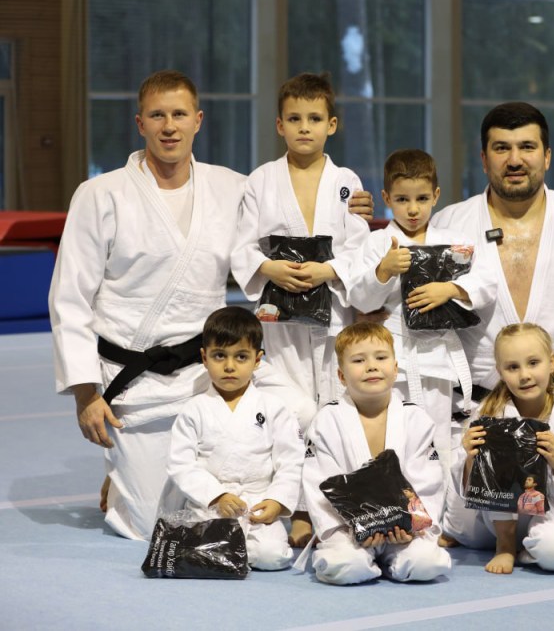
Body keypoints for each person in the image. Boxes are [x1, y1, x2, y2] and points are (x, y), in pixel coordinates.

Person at [48, 70, 273, 540]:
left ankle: (126, 472)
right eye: (157, 115)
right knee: (153, 524)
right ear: (140, 124)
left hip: (207, 375)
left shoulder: (232, 188)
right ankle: (124, 469)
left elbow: (289, 218)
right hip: (132, 383)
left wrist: (349, 204)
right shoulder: (100, 194)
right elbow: (70, 297)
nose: (168, 126)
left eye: (178, 114)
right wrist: (86, 393)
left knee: (239, 508)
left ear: (198, 120)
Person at [231, 72, 373, 547]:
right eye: (294, 119)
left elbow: (360, 247)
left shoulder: (346, 181)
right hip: (280, 324)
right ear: (279, 125)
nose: (304, 127)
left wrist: (328, 272)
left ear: (332, 124)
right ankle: (297, 505)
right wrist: (270, 266)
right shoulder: (260, 180)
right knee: (290, 413)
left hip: (333, 319)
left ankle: (334, 505)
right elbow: (240, 249)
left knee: (335, 411)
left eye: (314, 118)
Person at [431, 102, 554, 399]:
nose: (515, 160)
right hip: (474, 413)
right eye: (501, 148)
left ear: (547, 156)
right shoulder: (447, 224)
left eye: (527, 147)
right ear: (484, 160)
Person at [348, 148, 495, 476]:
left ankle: (436, 519)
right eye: (401, 199)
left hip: (438, 359)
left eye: (421, 198)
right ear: (386, 197)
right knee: (393, 439)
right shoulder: (377, 243)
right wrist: (382, 271)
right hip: (392, 360)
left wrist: (451, 289)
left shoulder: (453, 241)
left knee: (437, 439)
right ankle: (393, 511)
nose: (412, 209)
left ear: (436, 196)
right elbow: (359, 297)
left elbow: (487, 283)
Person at [302, 323, 452, 585]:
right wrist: (353, 528)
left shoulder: (416, 419)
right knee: (344, 567)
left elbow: (427, 482)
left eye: (381, 358)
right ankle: (366, 561)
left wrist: (412, 526)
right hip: (349, 530)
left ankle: (390, 561)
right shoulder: (326, 421)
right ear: (341, 375)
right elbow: (320, 484)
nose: (371, 366)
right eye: (359, 360)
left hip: (403, 531)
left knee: (428, 563)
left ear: (395, 369)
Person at [443, 323, 554, 574]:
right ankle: (504, 544)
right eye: (513, 367)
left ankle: (529, 551)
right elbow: (469, 488)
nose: (524, 375)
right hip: (498, 518)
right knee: (462, 523)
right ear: (500, 372)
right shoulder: (489, 413)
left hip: (553, 512)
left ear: (552, 362)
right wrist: (471, 458)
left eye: (533, 363)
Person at [160, 307, 303, 570]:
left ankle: (235, 550)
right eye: (219, 356)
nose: (229, 366)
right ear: (204, 357)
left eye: (241, 356)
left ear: (257, 360)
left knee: (273, 557)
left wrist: (277, 500)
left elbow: (290, 460)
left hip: (257, 502)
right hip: (211, 505)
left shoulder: (274, 407)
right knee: (202, 555)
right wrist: (217, 495)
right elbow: (181, 464)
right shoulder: (194, 409)